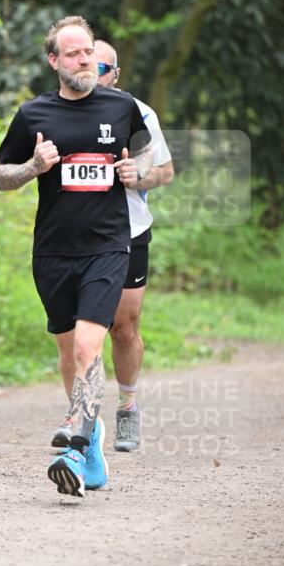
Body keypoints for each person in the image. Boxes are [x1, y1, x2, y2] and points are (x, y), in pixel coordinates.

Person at [0, 17, 152, 498]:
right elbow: (1, 176)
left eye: (90, 53)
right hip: (53, 250)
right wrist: (33, 167)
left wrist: (134, 170)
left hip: (108, 247)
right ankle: (92, 445)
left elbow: (149, 158)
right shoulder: (32, 114)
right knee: (69, 352)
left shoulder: (122, 107)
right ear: (54, 62)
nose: (85, 60)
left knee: (88, 347)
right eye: (75, 54)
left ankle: (76, 441)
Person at [95, 40, 174, 453]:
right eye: (86, 62)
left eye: (102, 65)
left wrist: (137, 176)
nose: (93, 71)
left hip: (128, 231)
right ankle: (83, 417)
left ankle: (127, 407)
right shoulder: (54, 110)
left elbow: (165, 171)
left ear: (116, 73)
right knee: (79, 330)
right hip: (75, 234)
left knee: (122, 328)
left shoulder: (138, 111)